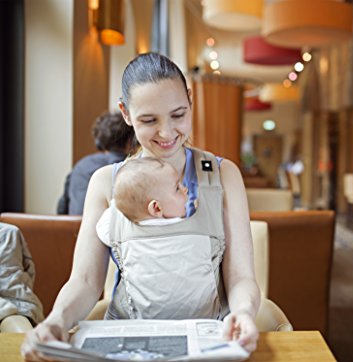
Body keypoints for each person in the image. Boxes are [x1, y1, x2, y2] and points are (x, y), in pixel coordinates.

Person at [22, 52, 260, 360]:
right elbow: (85, 281)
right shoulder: (105, 182)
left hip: (209, 338)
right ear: (125, 112)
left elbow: (241, 276)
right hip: (130, 340)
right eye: (149, 120)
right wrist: (56, 320)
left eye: (178, 115)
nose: (166, 133)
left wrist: (243, 312)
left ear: (190, 100)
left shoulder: (222, 174)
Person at [95, 156, 188, 246]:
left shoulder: (120, 231)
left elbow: (103, 229)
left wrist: (116, 206)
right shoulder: (178, 229)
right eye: (177, 188)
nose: (185, 189)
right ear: (156, 208)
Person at [56, 111, 136, 215]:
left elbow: (62, 209)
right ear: (131, 140)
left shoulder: (81, 165)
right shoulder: (134, 167)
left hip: (73, 229)